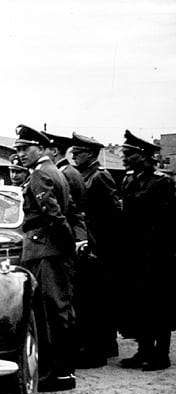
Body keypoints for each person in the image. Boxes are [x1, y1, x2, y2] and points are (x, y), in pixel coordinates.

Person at [14, 124, 77, 392]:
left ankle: (56, 373)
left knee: (49, 312)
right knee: (59, 310)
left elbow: (53, 214)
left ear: (39, 148)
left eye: (25, 149)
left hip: (44, 249)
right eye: (18, 150)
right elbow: (70, 211)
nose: (20, 155)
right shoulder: (56, 172)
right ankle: (63, 371)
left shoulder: (40, 174)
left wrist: (65, 244)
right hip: (51, 249)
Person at [117, 130, 176, 371]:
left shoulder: (162, 182)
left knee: (159, 304)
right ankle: (144, 350)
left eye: (128, 153)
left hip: (158, 253)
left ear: (143, 156)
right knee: (138, 302)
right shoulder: (129, 179)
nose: (124, 157)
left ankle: (161, 355)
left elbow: (170, 221)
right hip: (135, 252)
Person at [70, 132, 122, 368]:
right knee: (90, 298)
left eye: (78, 153)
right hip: (88, 243)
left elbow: (112, 214)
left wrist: (99, 245)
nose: (74, 157)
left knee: (95, 300)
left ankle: (97, 352)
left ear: (89, 154)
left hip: (98, 246)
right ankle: (104, 346)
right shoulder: (84, 175)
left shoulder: (100, 176)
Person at [43, 132, 88, 243]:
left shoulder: (65, 173)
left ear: (54, 151)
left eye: (44, 149)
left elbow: (74, 208)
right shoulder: (67, 171)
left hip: (71, 232)